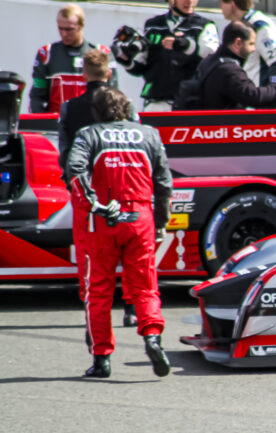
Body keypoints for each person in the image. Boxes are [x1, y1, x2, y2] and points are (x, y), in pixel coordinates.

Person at [65, 87, 173, 378]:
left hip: (103, 218)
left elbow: (74, 169)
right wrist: (161, 222)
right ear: (127, 108)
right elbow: (164, 184)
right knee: (145, 287)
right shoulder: (149, 134)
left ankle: (102, 359)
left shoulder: (89, 134)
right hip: (141, 219)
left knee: (98, 290)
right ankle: (152, 337)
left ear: (97, 111)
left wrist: (92, 203)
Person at [57, 49, 139, 327]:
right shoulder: (126, 103)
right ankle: (131, 307)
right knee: (129, 249)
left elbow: (65, 153)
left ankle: (89, 304)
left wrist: (71, 184)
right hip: (122, 184)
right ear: (109, 73)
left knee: (87, 252)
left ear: (83, 74)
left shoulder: (69, 107)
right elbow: (136, 142)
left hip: (86, 190)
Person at [117, 0, 218, 111]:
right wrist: (127, 61)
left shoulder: (203, 25)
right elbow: (142, 65)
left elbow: (211, 55)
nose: (189, 1)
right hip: (156, 102)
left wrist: (187, 45)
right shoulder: (153, 25)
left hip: (189, 104)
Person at [29, 4, 118, 113]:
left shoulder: (102, 53)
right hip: (57, 123)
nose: (64, 34)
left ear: (82, 26)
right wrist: (42, 123)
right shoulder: (46, 54)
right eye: (60, 28)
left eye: (69, 29)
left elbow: (113, 94)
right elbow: (36, 96)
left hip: (91, 123)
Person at [194, 21, 276, 110]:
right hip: (220, 128)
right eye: (251, 44)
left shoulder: (211, 60)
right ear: (238, 43)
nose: (254, 49)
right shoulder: (229, 70)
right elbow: (253, 96)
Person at [219, 0, 276, 86]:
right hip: (241, 92)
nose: (220, 6)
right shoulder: (236, 25)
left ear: (232, 4)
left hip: (258, 93)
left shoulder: (260, 26)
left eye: (221, 2)